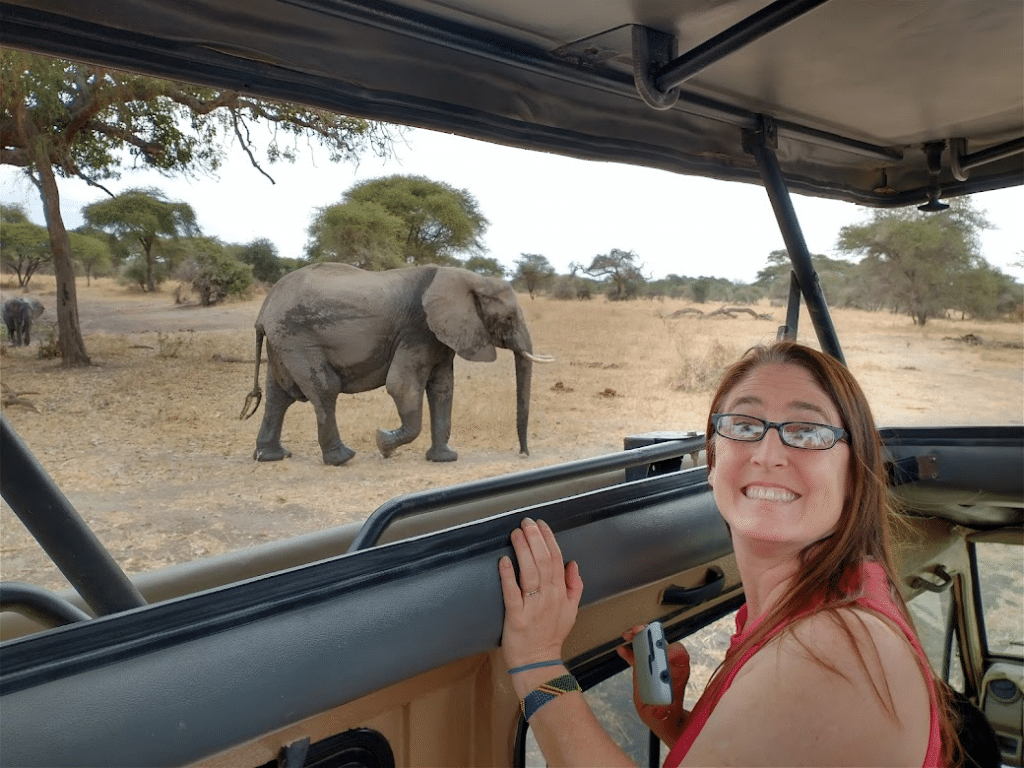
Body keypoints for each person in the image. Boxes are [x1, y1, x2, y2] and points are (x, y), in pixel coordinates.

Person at [498, 341, 960, 767]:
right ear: (713, 464)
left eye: (808, 431)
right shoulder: (806, 611)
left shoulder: (834, 646)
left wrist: (536, 663)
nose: (767, 453)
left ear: (855, 476)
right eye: (743, 425)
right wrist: (671, 722)